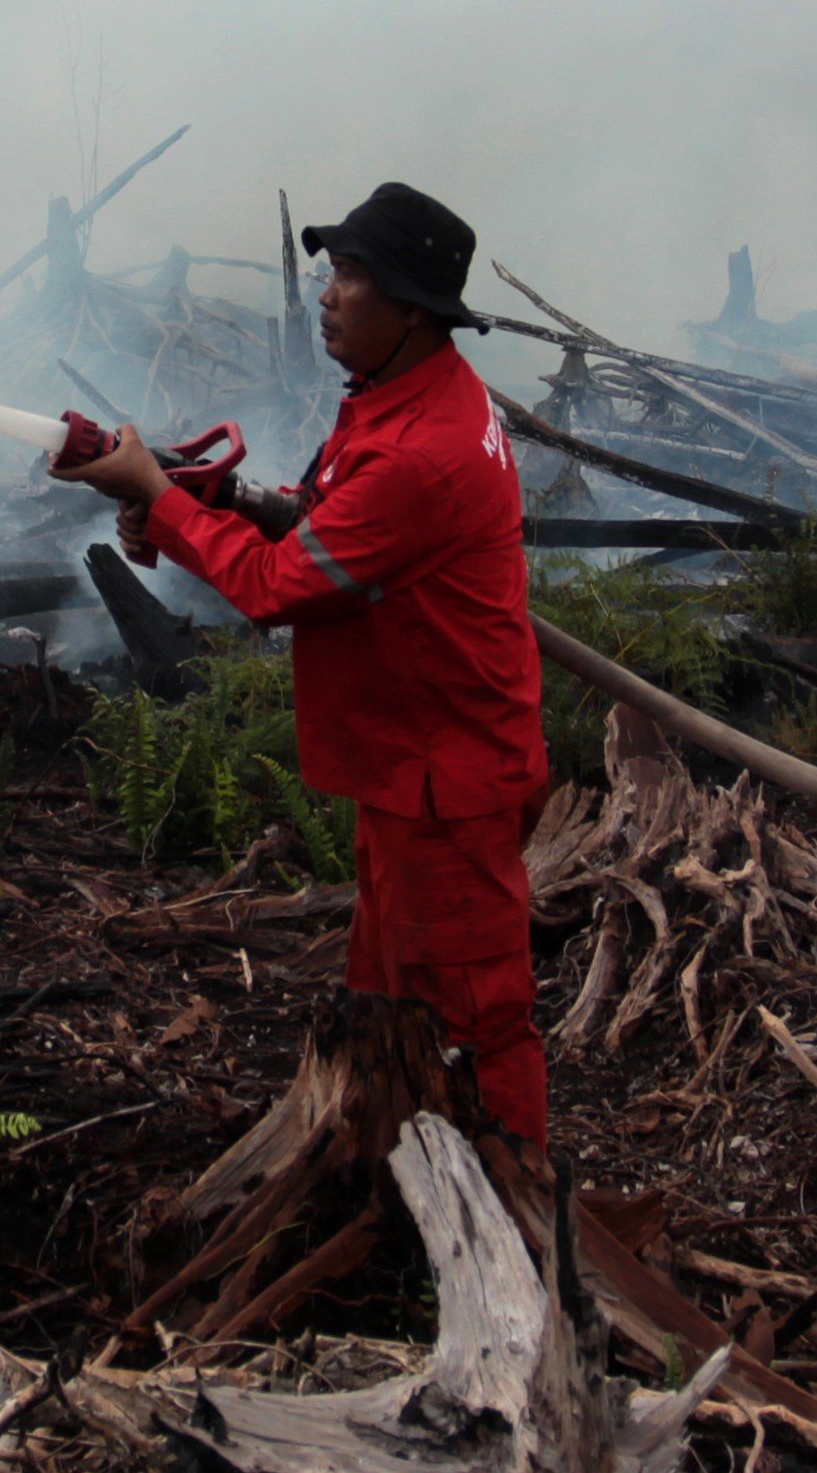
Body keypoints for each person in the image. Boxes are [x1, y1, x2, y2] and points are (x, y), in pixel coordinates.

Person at [51, 183, 557, 1147]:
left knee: (478, 1020)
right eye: (331, 270)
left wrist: (162, 500)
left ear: (414, 309)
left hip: (449, 784)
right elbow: (326, 518)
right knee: (384, 999)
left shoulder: (427, 450)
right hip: (410, 765)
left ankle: (518, 1214)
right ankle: (384, 1169)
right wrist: (213, 499)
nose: (327, 292)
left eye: (354, 277)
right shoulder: (407, 398)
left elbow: (282, 586)